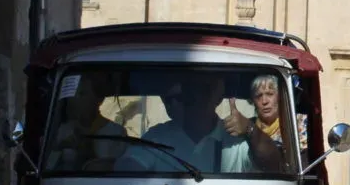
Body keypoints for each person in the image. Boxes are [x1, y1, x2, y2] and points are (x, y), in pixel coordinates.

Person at [115, 74, 282, 175]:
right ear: (185, 94)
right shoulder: (158, 136)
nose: (199, 96)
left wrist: (250, 129)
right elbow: (127, 170)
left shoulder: (236, 140)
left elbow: (274, 164)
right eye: (193, 89)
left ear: (218, 97)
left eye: (207, 89)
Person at [45, 73, 127, 171]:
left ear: (99, 99)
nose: (75, 100)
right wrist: (59, 148)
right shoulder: (64, 129)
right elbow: (49, 168)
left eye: (82, 94)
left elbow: (119, 168)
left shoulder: (116, 132)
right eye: (73, 95)